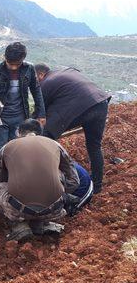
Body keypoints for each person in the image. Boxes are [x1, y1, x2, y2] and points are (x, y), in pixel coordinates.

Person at [0, 119, 79, 241]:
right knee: (58, 175)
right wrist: (61, 194)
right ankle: (41, 223)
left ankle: (18, 225)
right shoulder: (56, 145)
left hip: (18, 210)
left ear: (18, 132)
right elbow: (74, 180)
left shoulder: (7, 147)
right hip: (54, 210)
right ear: (40, 133)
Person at [34, 64, 111, 193]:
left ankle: (50, 181)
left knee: (44, 137)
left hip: (81, 107)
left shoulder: (45, 83)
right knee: (94, 145)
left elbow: (40, 112)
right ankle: (97, 185)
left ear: (41, 75)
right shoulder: (65, 71)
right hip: (100, 103)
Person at [0, 42, 46, 155]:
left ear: (23, 59)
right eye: (10, 64)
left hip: (20, 117)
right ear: (4, 57)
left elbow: (36, 91)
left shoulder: (29, 69)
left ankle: (16, 172)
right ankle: (0, 172)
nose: (13, 67)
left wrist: (41, 114)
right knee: (0, 150)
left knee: (18, 149)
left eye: (17, 64)